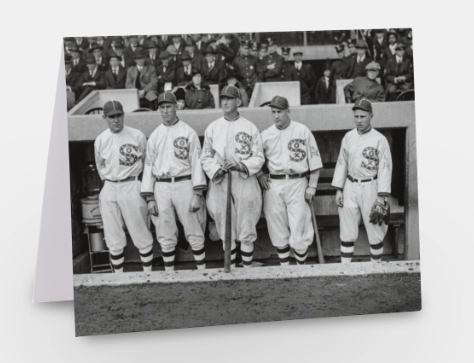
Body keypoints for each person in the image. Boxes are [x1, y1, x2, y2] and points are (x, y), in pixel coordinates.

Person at [141, 92, 207, 271]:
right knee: (164, 230)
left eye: (168, 106)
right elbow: (148, 166)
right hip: (161, 186)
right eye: (162, 107)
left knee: (194, 228)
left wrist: (197, 193)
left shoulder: (188, 132)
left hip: (184, 183)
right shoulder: (155, 135)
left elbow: (197, 163)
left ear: (176, 107)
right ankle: (169, 275)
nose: (165, 111)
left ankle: (202, 273)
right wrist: (150, 197)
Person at [201, 85, 264, 268]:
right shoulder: (213, 127)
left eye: (230, 98)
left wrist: (241, 165)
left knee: (246, 221)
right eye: (223, 98)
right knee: (223, 220)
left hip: (244, 177)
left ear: (238, 101)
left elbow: (259, 156)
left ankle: (246, 268)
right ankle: (232, 267)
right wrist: (216, 170)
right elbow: (205, 156)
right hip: (221, 178)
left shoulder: (249, 127)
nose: (226, 102)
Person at [258, 96, 323, 266]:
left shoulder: (302, 131)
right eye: (273, 112)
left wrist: (312, 185)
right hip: (274, 183)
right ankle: (285, 271)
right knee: (277, 226)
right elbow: (254, 158)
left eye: (280, 111)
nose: (276, 116)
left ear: (288, 111)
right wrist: (259, 174)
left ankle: (300, 271)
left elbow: (315, 160)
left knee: (299, 226)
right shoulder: (266, 134)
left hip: (298, 182)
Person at [94, 100, 154, 273]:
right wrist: (109, 183)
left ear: (123, 115)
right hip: (110, 187)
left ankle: (147, 277)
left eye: (119, 115)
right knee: (113, 238)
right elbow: (100, 165)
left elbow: (146, 162)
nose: (116, 120)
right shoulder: (100, 139)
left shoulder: (137, 135)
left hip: (131, 184)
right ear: (104, 117)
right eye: (111, 117)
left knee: (140, 232)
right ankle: (118, 280)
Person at [331, 98, 392, 263]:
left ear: (371, 115)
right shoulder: (348, 136)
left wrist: (381, 196)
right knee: (347, 229)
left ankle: (375, 269)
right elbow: (341, 163)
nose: (359, 120)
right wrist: (338, 189)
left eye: (362, 116)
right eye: (356, 116)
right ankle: (346, 269)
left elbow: (385, 168)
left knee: (375, 230)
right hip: (350, 185)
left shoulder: (379, 139)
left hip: (371, 185)